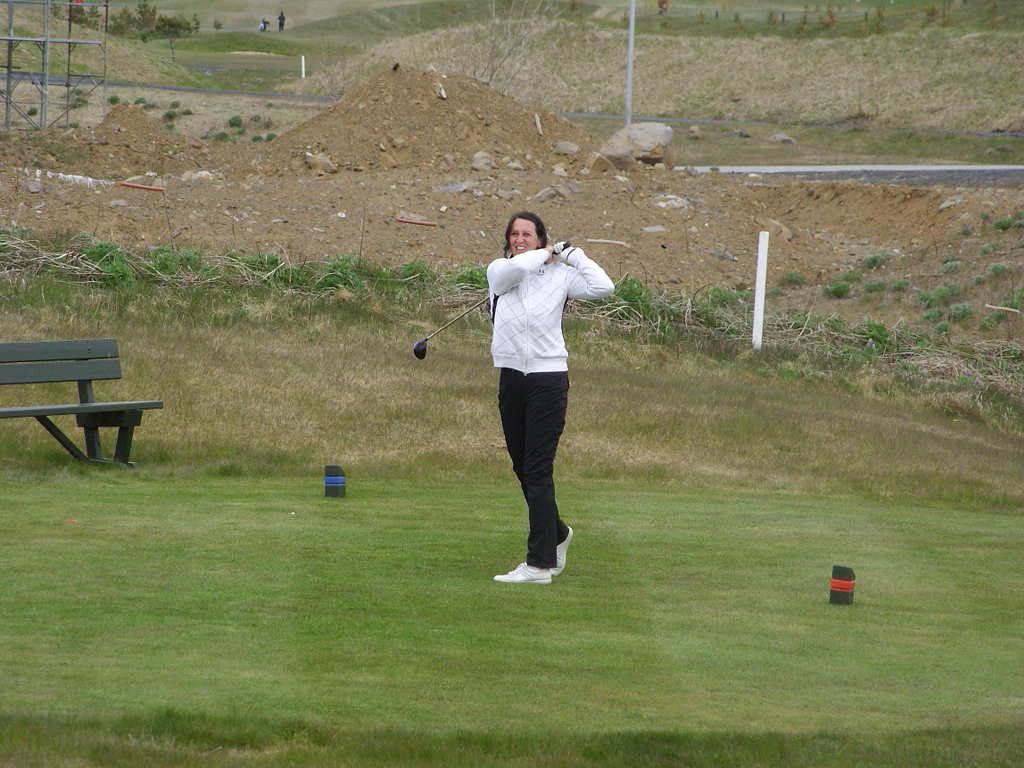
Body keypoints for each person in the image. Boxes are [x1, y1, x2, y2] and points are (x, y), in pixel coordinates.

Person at [488, 211, 614, 585]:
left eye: (528, 234)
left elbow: (604, 287)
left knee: (537, 469)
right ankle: (557, 534)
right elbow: (515, 269)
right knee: (522, 468)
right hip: (511, 378)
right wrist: (544, 253)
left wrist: (572, 255)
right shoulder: (499, 271)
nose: (519, 239)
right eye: (514, 234)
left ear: (541, 237)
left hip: (549, 379)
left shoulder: (561, 276)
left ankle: (539, 565)